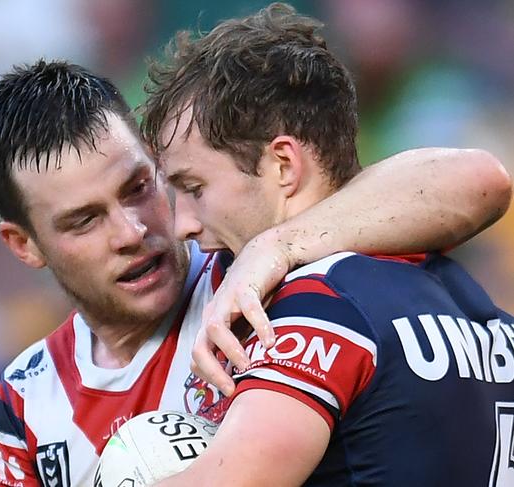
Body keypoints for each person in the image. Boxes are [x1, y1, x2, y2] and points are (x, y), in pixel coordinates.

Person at [0, 60, 510, 486]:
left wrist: (276, 246)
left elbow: (479, 178)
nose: (132, 231)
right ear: (25, 245)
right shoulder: (26, 403)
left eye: (139, 187)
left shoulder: (267, 278)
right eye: (85, 221)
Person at [140, 4, 514, 486]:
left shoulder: (318, 308)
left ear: (283, 165)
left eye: (194, 188)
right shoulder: (466, 297)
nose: (181, 225)